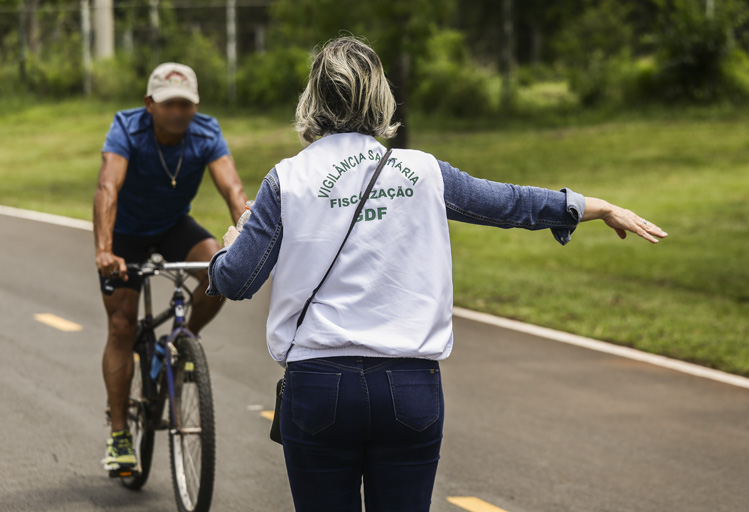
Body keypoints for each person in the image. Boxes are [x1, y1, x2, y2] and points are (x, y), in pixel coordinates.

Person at [206, 37, 668, 512]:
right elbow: (508, 203)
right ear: (380, 95)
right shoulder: (423, 172)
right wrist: (593, 206)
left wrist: (229, 250)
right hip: (410, 389)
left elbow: (237, 281)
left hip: (321, 388)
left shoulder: (287, 179)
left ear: (313, 99)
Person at [94, 62, 249, 472]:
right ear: (150, 104)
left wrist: (248, 238)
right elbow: (108, 186)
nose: (178, 111)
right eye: (169, 103)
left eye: (186, 103)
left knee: (220, 271)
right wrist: (105, 249)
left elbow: (233, 188)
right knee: (123, 326)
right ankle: (118, 435)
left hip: (172, 226)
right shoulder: (128, 129)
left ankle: (181, 344)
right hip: (125, 234)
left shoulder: (205, 132)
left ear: (195, 106)